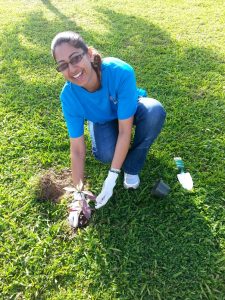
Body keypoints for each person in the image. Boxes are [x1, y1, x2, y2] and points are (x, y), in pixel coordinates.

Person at [51, 31, 166, 210]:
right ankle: (96, 123)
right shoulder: (68, 97)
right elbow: (77, 150)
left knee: (154, 112)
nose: (72, 69)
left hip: (127, 110)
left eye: (75, 58)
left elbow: (125, 130)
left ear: (89, 54)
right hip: (102, 120)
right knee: (106, 154)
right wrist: (78, 193)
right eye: (63, 65)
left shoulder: (120, 72)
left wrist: (112, 177)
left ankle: (132, 166)